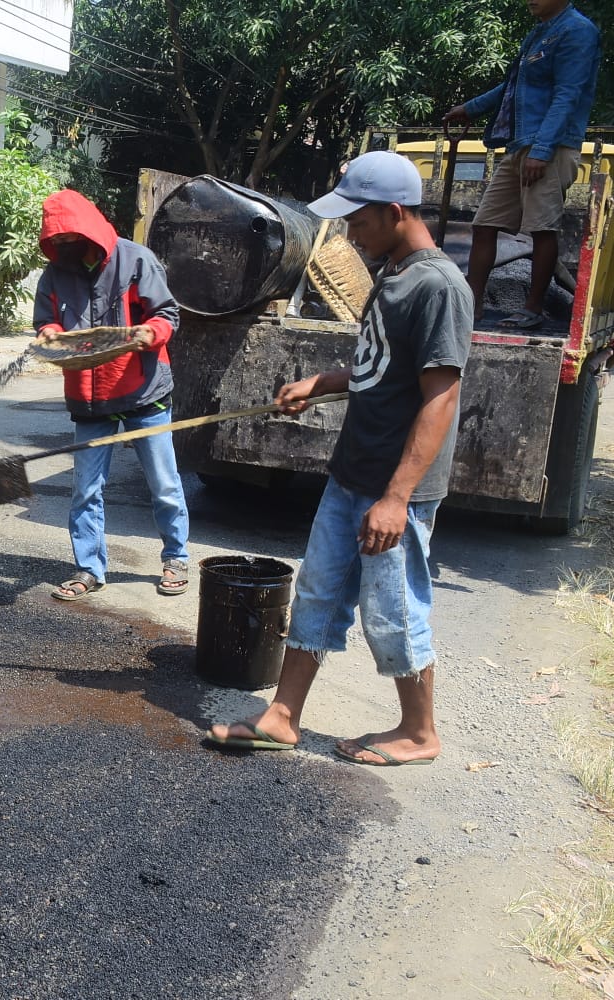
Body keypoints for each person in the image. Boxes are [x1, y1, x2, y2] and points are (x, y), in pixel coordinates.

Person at [206, 151, 473, 767]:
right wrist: (323, 381)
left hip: (391, 487)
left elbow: (440, 398)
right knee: (319, 594)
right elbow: (382, 365)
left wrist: (398, 497)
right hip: (352, 473)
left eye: (358, 220)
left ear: (395, 212)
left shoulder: (437, 287)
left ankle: (420, 732)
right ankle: (282, 715)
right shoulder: (394, 273)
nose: (350, 233)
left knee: (393, 608)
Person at [32, 188, 190, 599]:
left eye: (72, 238)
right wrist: (49, 335)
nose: (66, 247)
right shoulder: (55, 274)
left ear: (89, 230)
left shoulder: (136, 260)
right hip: (89, 398)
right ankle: (89, 568)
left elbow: (167, 314)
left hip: (143, 389)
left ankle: (176, 557)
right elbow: (47, 321)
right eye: (58, 242)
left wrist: (149, 333)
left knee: (164, 483)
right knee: (86, 488)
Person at [444, 0, 601, 329]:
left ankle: (532, 308)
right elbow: (515, 86)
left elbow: (567, 94)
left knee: (542, 229)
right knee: (484, 225)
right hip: (520, 144)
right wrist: (471, 107)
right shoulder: (540, 33)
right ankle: (470, 306)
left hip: (551, 145)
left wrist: (542, 150)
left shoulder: (577, 31)